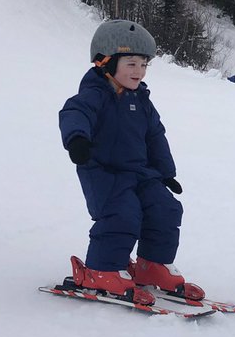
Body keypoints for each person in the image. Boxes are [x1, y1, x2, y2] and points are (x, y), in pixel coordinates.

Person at [58, 19, 202, 306]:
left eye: (144, 65)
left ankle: (152, 264)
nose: (139, 71)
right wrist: (77, 140)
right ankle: (102, 269)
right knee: (122, 214)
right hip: (103, 172)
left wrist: (166, 173)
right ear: (106, 63)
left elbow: (155, 135)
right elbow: (74, 113)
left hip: (140, 172)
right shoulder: (94, 95)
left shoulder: (142, 100)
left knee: (165, 208)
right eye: (131, 64)